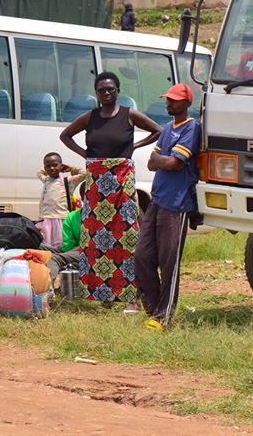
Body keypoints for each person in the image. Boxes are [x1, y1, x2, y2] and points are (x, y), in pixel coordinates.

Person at [58, 71, 161, 304]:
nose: (106, 93)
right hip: (96, 183)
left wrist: (135, 146)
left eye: (110, 89)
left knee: (125, 234)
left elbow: (158, 131)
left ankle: (130, 291)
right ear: (96, 93)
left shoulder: (129, 115)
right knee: (95, 237)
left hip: (122, 181)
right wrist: (86, 155)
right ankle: (100, 293)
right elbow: (65, 135)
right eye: (102, 90)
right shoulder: (90, 117)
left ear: (118, 91)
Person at [135, 83, 202, 331]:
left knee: (168, 261)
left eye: (174, 100)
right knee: (142, 256)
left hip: (178, 203)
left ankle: (164, 317)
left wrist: (167, 161)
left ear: (186, 103)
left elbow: (175, 162)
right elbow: (154, 163)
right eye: (168, 99)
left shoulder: (192, 128)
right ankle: (152, 308)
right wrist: (166, 161)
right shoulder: (167, 129)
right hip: (158, 199)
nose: (169, 103)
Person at [35, 152, 83, 250]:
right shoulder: (46, 180)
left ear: (61, 166)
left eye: (55, 165)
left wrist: (70, 168)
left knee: (61, 246)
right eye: (48, 166)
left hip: (61, 219)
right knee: (47, 247)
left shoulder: (68, 181)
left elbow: (85, 173)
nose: (52, 168)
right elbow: (39, 173)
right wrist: (46, 169)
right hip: (46, 219)